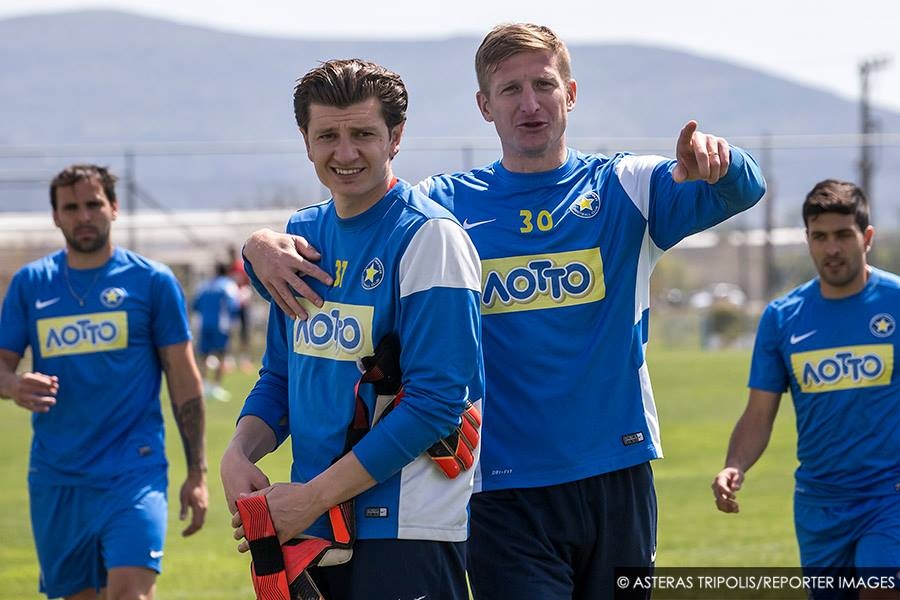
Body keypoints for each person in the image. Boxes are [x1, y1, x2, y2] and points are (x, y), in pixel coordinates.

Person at [240, 23, 766, 598]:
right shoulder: (447, 205)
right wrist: (259, 245)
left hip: (616, 469)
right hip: (497, 486)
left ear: (571, 93)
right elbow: (365, 213)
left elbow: (740, 191)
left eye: (543, 84)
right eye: (510, 90)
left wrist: (726, 158)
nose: (530, 103)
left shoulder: (625, 187)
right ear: (484, 106)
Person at [221, 59, 484, 600]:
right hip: (313, 529)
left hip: (405, 530)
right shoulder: (299, 238)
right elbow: (280, 375)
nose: (345, 153)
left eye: (363, 133)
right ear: (306, 141)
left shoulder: (430, 237)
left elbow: (436, 404)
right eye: (328, 136)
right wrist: (239, 453)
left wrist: (311, 498)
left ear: (396, 137)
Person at [0, 164, 209, 600]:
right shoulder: (30, 285)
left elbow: (185, 380)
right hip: (58, 476)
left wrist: (196, 472)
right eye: (71, 207)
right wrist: (14, 386)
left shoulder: (152, 282)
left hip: (134, 470)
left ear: (113, 207)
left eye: (93, 204)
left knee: (129, 594)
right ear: (56, 216)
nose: (84, 216)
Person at [712, 180, 899, 594]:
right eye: (820, 237)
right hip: (818, 502)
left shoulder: (896, 303)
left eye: (842, 236)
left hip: (889, 495)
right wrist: (735, 466)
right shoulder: (782, 318)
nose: (832, 249)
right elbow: (759, 414)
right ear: (808, 240)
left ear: (866, 238)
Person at [192, 261, 240, 401]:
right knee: (221, 354)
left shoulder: (205, 285)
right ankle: (216, 387)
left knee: (203, 356)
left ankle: (204, 385)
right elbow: (233, 306)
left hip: (204, 325)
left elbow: (195, 305)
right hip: (221, 326)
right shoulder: (229, 285)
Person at [226, 244, 254, 372]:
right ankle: (229, 359)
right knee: (231, 332)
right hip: (231, 305)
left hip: (241, 304)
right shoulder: (228, 269)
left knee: (244, 333)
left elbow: (247, 284)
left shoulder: (239, 267)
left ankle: (244, 359)